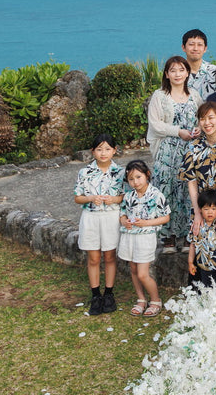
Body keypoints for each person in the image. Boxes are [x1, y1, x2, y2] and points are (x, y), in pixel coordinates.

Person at [146, 55, 202, 248]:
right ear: (166, 74)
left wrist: (198, 129)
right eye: (173, 70)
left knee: (188, 191)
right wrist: (178, 132)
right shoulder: (159, 95)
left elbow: (203, 118)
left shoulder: (194, 94)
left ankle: (187, 234)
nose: (177, 74)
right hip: (167, 151)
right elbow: (155, 124)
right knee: (166, 189)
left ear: (187, 73)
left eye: (181, 70)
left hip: (189, 151)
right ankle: (167, 235)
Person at [73, 133, 124, 315]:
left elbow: (124, 196)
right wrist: (90, 198)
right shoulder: (85, 172)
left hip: (111, 217)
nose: (104, 153)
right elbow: (77, 198)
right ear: (92, 152)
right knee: (94, 258)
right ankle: (96, 295)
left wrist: (114, 199)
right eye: (99, 149)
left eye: (108, 149)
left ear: (114, 151)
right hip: (91, 218)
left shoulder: (120, 172)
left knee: (110, 256)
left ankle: (108, 293)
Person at [119, 160, 170, 317]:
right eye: (131, 179)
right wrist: (125, 222)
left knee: (142, 273)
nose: (135, 182)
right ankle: (141, 299)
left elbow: (165, 217)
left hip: (145, 238)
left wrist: (146, 223)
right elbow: (122, 214)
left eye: (138, 177)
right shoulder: (128, 196)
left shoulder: (156, 195)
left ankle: (155, 300)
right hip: (129, 237)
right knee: (133, 269)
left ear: (147, 175)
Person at [180, 102, 216, 240]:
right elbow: (191, 182)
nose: (207, 123)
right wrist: (197, 212)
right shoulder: (192, 147)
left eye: (211, 118)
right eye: (202, 119)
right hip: (201, 207)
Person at [187, 188, 216, 289]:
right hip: (203, 265)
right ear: (200, 209)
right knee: (204, 289)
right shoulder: (197, 226)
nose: (210, 212)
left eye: (213, 209)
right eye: (206, 209)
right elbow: (192, 244)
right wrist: (190, 262)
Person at [182, 28, 216, 99]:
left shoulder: (215, 71)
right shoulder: (176, 72)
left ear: (205, 49)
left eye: (199, 45)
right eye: (191, 44)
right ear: (183, 47)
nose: (195, 48)